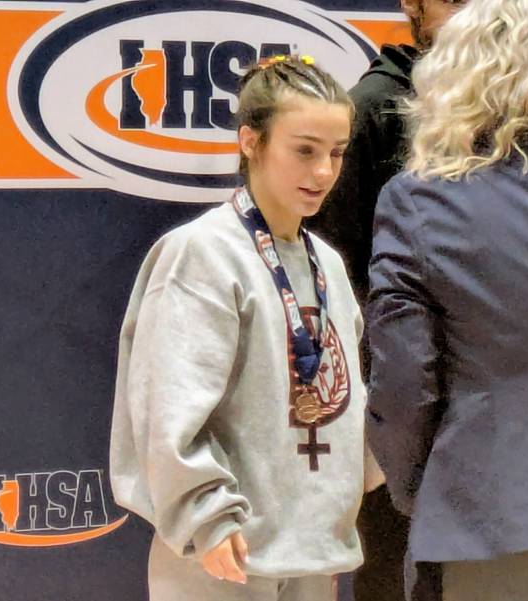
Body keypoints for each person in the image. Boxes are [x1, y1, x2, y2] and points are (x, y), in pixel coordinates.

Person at [366, 0, 528, 600]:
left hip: (493, 519)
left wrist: (423, 493)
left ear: (458, 72)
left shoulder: (420, 202)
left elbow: (403, 382)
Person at [110, 55, 381, 601]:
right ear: (250, 142)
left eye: (336, 153)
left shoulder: (326, 262)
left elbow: (344, 408)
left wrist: (325, 526)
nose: (324, 172)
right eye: (304, 150)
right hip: (221, 553)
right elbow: (168, 404)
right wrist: (206, 514)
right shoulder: (202, 253)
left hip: (308, 549)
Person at [310, 2, 466, 600]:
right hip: (395, 408)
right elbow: (330, 281)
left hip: (484, 405)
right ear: (411, 4)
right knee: (394, 577)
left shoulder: (509, 112)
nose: (469, 14)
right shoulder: (372, 110)